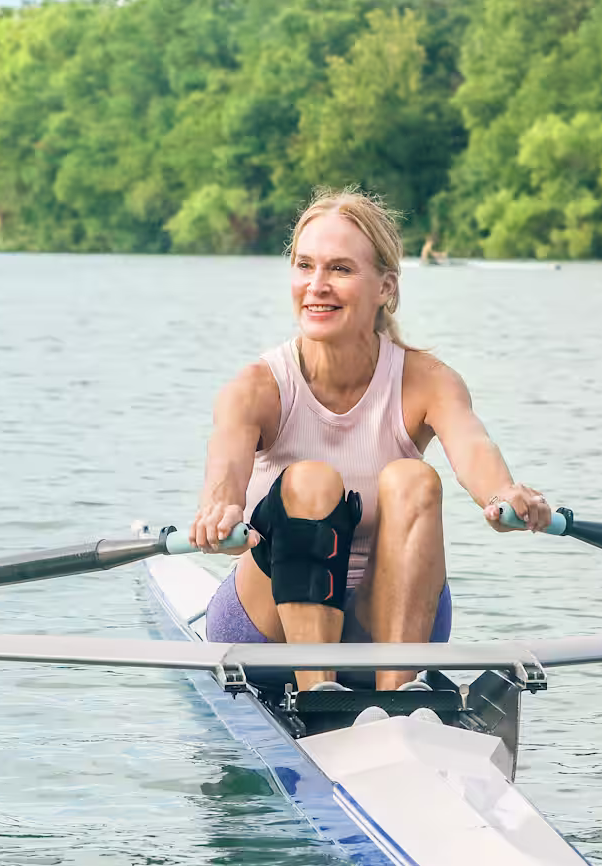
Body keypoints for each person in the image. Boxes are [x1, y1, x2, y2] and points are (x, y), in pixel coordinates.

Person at [190, 189, 551, 692]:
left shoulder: (429, 381)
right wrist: (219, 512)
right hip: (268, 633)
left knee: (413, 478)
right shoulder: (256, 387)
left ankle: (398, 696)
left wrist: (504, 493)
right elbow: (225, 475)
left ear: (385, 287)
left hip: (385, 622)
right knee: (311, 481)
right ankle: (318, 694)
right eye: (305, 266)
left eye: (340, 269)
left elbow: (474, 448)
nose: (316, 285)